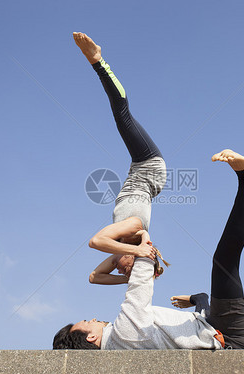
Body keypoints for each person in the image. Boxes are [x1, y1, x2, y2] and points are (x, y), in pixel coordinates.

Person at [53, 144, 244, 349]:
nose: (92, 318)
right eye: (86, 322)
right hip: (224, 333)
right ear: (91, 337)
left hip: (209, 326)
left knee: (220, 269)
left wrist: (194, 299)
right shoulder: (123, 333)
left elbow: (95, 276)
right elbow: (139, 286)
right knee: (224, 261)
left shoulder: (120, 342)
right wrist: (142, 246)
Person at [71, 32, 168, 282]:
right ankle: (98, 62)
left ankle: (97, 62)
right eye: (126, 268)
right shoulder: (133, 229)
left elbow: (94, 277)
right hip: (149, 169)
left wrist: (130, 278)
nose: (119, 268)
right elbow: (96, 241)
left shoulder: (127, 243)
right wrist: (138, 250)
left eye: (122, 271)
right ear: (135, 256)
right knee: (122, 116)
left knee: (122, 118)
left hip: (138, 175)